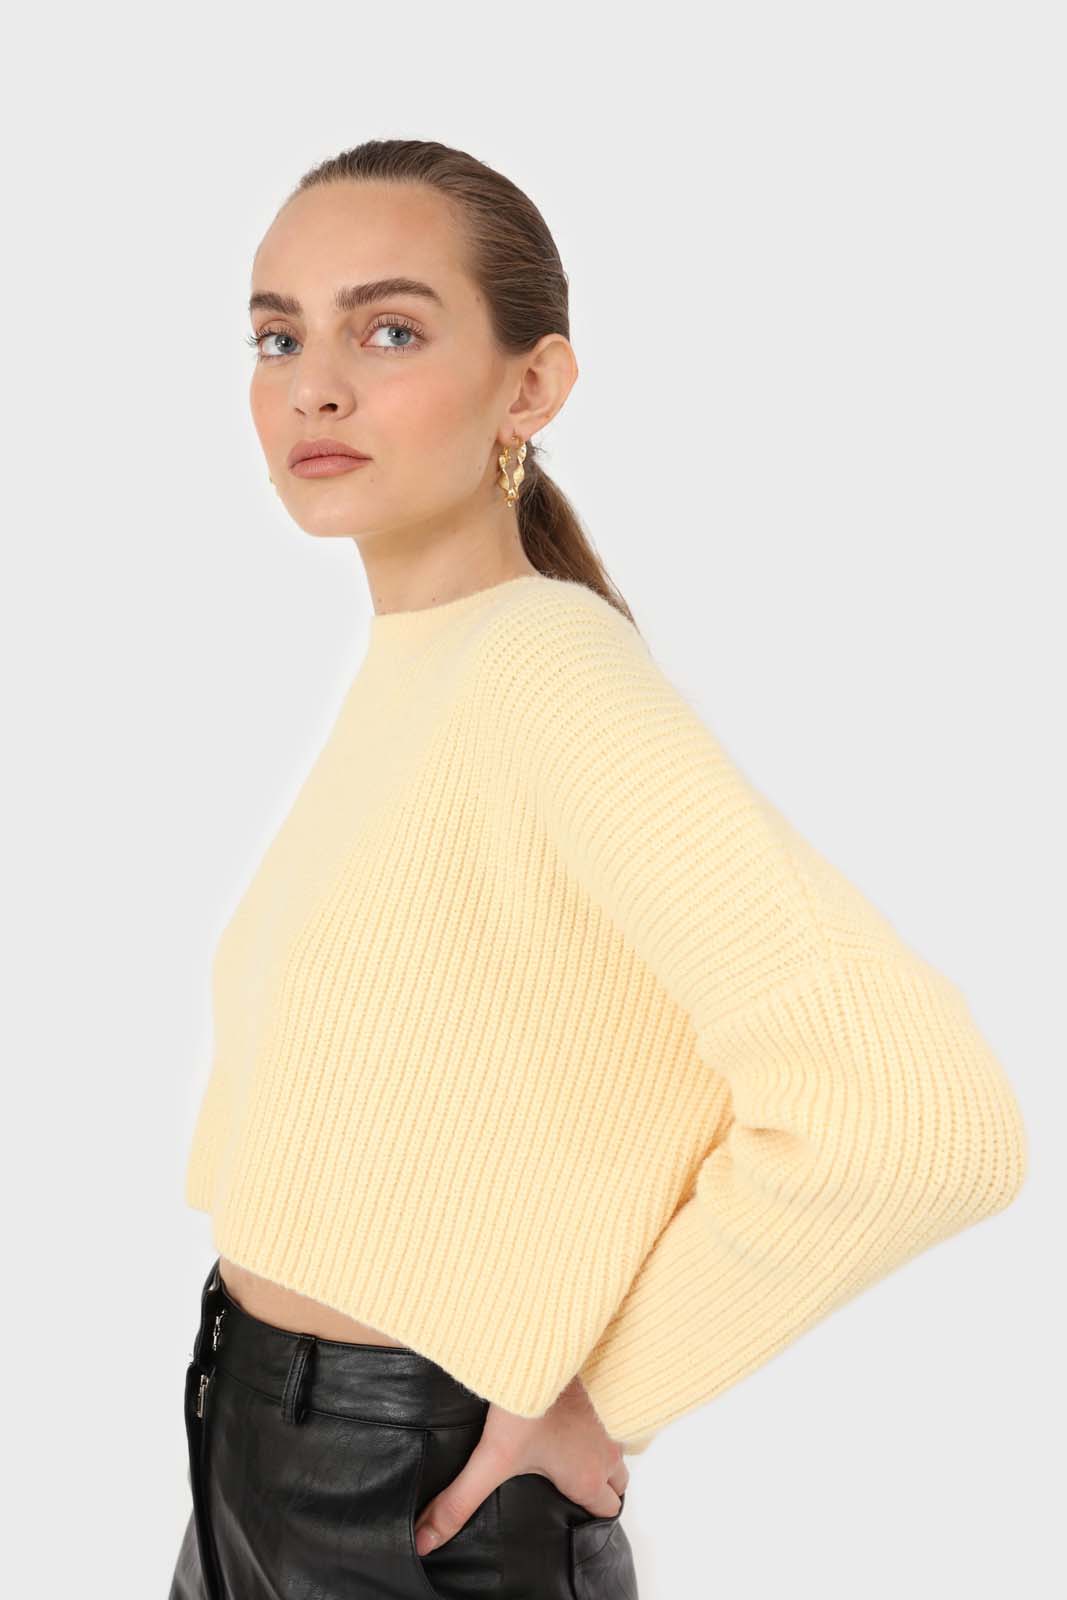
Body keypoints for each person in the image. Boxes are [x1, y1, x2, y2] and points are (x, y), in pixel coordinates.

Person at [169, 138, 1029, 1600]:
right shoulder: (430, 663)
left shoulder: (548, 672)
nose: (314, 386)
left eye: (389, 331)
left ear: (534, 386)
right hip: (249, 1448)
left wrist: (609, 1395)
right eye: (278, 337)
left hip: (409, 1501)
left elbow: (914, 1113)